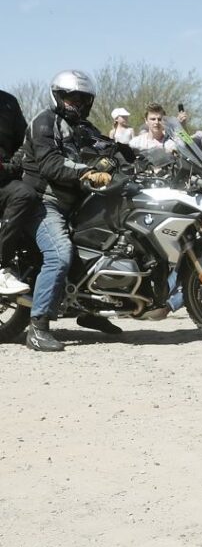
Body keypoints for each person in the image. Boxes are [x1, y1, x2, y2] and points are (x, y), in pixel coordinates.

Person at [20, 71, 119, 351]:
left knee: (109, 243)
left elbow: (109, 147)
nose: (75, 102)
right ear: (58, 96)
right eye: (70, 97)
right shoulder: (44, 122)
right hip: (44, 202)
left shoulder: (82, 127)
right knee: (59, 254)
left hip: (75, 202)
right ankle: (37, 328)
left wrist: (140, 157)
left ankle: (92, 310)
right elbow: (51, 165)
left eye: (81, 98)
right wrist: (88, 172)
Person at [0, 90, 36, 295]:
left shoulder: (8, 102)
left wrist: (11, 166)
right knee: (23, 194)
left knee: (32, 194)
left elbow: (24, 141)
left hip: (6, 178)